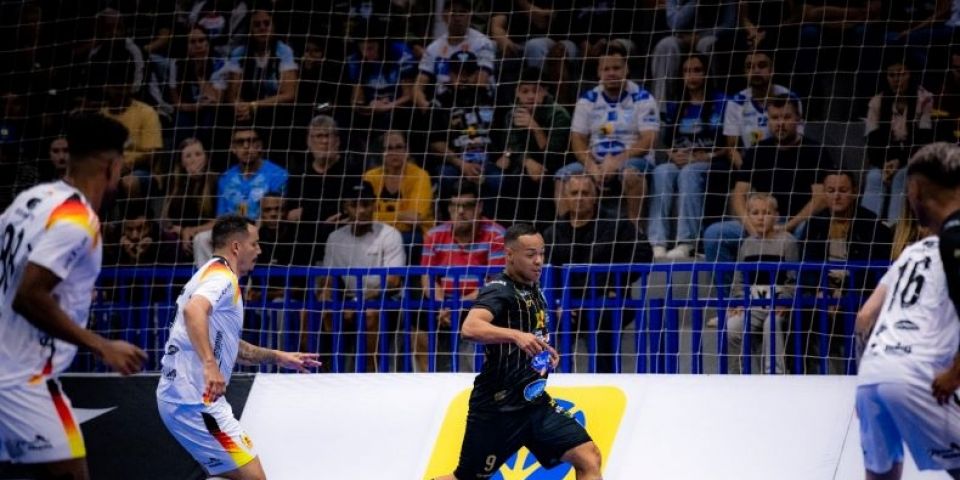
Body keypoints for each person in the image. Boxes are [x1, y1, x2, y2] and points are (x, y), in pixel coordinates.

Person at [0, 113, 146, 479]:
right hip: (23, 379)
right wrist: (101, 345)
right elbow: (30, 296)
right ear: (112, 166)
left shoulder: (29, 200)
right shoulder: (78, 222)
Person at [156, 215, 320, 480]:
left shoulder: (213, 274)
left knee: (231, 474)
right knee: (253, 477)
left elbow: (232, 347)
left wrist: (278, 357)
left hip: (189, 398)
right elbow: (193, 310)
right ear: (236, 247)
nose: (259, 250)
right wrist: (210, 366)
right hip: (194, 401)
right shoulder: (221, 279)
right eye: (254, 244)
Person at [434, 223, 603, 480]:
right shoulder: (499, 290)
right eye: (530, 254)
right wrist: (516, 336)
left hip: (534, 403)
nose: (538, 261)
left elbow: (527, 334)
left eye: (542, 254)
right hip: (498, 408)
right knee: (465, 478)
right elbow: (470, 327)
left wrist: (543, 351)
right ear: (510, 255)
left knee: (588, 456)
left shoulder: (533, 288)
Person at [853, 145, 960, 480]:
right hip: (919, 374)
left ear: (914, 192)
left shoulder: (910, 253)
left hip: (872, 372)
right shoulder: (952, 241)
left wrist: (869, 374)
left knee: (882, 476)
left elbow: (863, 317)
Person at [704, 96, 832, 278]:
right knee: (715, 233)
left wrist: (787, 227)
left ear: (798, 119)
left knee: (810, 230)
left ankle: (798, 297)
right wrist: (750, 226)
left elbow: (820, 198)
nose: (780, 123)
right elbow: (739, 193)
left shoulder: (814, 150)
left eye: (786, 117)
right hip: (760, 220)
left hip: (798, 222)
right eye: (775, 118)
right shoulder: (758, 151)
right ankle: (730, 302)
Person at [543, 174, 653, 373]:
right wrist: (557, 302)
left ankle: (604, 378)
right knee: (540, 318)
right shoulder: (552, 232)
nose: (579, 198)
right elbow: (546, 271)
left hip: (608, 300)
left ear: (595, 196)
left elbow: (643, 254)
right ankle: (548, 382)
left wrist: (614, 284)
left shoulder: (617, 225)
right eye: (574, 193)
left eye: (585, 193)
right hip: (567, 305)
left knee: (601, 315)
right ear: (565, 197)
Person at [561, 43, 659, 227]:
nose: (611, 73)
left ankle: (634, 232)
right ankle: (565, 233)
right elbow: (578, 139)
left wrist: (617, 161)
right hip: (596, 161)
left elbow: (649, 138)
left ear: (626, 69)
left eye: (616, 68)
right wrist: (591, 165)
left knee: (630, 173)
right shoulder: (587, 99)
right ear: (598, 72)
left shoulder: (643, 98)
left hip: (635, 159)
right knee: (563, 176)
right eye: (606, 69)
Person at [420, 182, 506, 372]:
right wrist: (442, 304)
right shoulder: (434, 235)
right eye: (455, 206)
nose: (460, 211)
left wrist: (458, 305)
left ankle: (486, 378)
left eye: (467, 206)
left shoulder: (497, 234)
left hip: (479, 301)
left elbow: (496, 282)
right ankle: (425, 377)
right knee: (413, 317)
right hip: (444, 303)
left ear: (479, 207)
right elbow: (427, 278)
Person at [649, 54, 728, 259]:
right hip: (681, 160)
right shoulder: (676, 105)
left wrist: (704, 156)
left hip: (711, 161)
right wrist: (673, 155)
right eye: (686, 71)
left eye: (697, 70)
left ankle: (686, 242)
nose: (691, 76)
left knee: (689, 173)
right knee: (662, 171)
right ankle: (657, 242)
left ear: (706, 73)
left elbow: (731, 147)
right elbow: (664, 142)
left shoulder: (722, 102)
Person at [321, 181, 406, 372]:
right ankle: (320, 370)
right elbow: (327, 280)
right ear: (345, 207)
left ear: (374, 205)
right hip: (347, 300)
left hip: (385, 300)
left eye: (366, 204)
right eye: (354, 205)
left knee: (369, 314)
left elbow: (393, 282)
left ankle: (370, 370)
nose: (360, 210)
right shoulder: (335, 238)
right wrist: (325, 297)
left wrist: (358, 302)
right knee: (311, 311)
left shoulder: (390, 234)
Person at [725, 194, 797, 375]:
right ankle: (738, 375)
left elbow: (793, 279)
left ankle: (774, 374)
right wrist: (739, 301)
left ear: (776, 216)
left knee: (771, 325)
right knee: (732, 326)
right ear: (748, 217)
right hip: (753, 304)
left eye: (766, 212)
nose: (760, 217)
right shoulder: (747, 244)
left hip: (778, 305)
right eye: (755, 213)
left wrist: (785, 302)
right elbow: (739, 279)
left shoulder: (788, 242)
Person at [863, 52, 934, 225]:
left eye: (901, 74)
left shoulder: (924, 99)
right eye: (891, 75)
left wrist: (899, 162)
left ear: (910, 74)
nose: (896, 79)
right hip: (885, 160)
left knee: (902, 176)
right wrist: (886, 164)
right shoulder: (877, 102)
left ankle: (894, 228)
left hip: (915, 158)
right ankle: (866, 227)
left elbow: (923, 141)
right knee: (873, 177)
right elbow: (873, 143)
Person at [722, 50, 804, 169]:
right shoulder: (736, 102)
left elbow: (797, 140)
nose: (755, 71)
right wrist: (748, 174)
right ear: (745, 73)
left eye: (762, 65)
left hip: (787, 163)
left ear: (772, 70)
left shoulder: (791, 98)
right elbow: (732, 150)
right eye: (750, 67)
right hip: (751, 164)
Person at [363, 130, 434, 265]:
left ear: (407, 150)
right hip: (376, 232)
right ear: (382, 152)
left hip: (414, 235)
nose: (394, 152)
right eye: (389, 148)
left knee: (406, 240)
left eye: (399, 147)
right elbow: (363, 215)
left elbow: (415, 219)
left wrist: (379, 216)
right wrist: (401, 216)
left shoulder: (420, 176)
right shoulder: (370, 177)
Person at [413, 0, 496, 110]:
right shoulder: (433, 48)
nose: (457, 17)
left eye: (462, 12)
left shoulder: (482, 42)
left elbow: (481, 81)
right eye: (453, 12)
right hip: (444, 103)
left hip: (476, 101)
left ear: (470, 15)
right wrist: (427, 108)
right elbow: (418, 86)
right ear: (444, 15)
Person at [217, 126, 288, 221]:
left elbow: (276, 216)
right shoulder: (225, 178)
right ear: (233, 148)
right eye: (240, 142)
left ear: (260, 146)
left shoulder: (278, 175)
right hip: (230, 231)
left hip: (264, 231)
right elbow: (220, 217)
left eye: (251, 141)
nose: (246, 146)